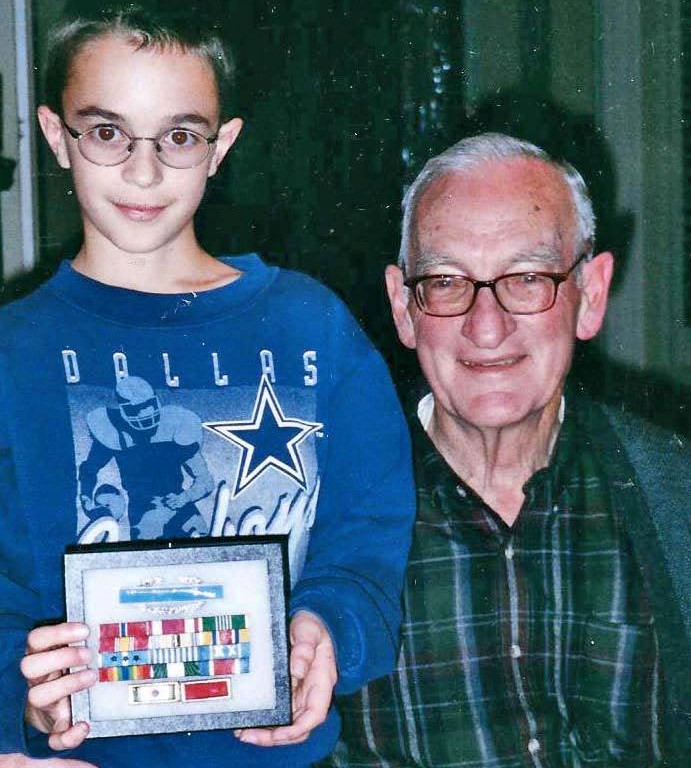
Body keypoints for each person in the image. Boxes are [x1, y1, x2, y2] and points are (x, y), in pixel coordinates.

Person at [0, 3, 415, 766]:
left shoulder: (312, 326)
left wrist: (326, 629)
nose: (144, 170)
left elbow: (369, 539)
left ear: (221, 145)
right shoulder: (11, 354)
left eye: (180, 136)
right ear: (57, 134)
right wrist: (19, 695)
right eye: (107, 131)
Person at [331, 133, 690, 767]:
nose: (486, 326)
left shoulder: (676, 499)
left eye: (527, 278)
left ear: (591, 294)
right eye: (446, 282)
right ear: (403, 307)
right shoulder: (315, 518)